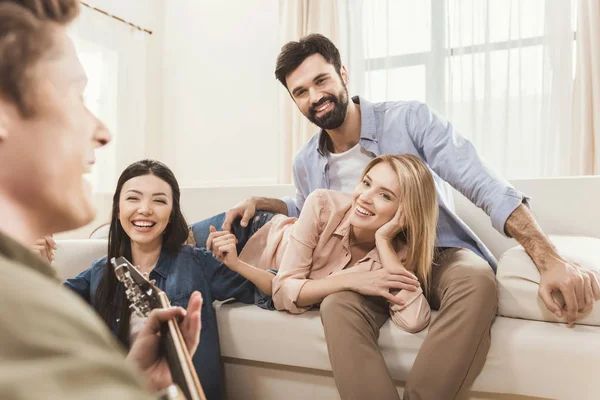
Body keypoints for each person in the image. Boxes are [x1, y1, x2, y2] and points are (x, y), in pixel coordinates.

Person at [192, 33, 600, 399]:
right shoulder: (307, 160)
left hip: (434, 249)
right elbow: (310, 208)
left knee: (476, 281)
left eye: (321, 81)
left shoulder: (409, 120)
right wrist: (264, 202)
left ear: (343, 74)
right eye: (300, 92)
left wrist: (549, 260)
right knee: (337, 306)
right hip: (362, 265)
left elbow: (485, 185)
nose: (314, 96)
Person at [0, 1, 202, 398]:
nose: (103, 131)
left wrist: (135, 384)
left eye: (159, 201)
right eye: (76, 95)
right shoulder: (22, 303)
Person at [65, 159, 259, 400]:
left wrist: (237, 264)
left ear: (171, 214)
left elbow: (269, 292)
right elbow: (39, 306)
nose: (145, 209)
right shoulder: (100, 273)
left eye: (158, 200)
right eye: (133, 198)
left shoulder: (195, 263)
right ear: (118, 209)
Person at [208, 154, 436, 334]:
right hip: (253, 229)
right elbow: (283, 289)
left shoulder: (395, 256)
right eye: (366, 183)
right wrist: (352, 281)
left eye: (384, 195)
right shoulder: (323, 204)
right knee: (174, 238)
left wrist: (383, 240)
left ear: (406, 212)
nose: (365, 197)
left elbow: (414, 320)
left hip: (245, 271)